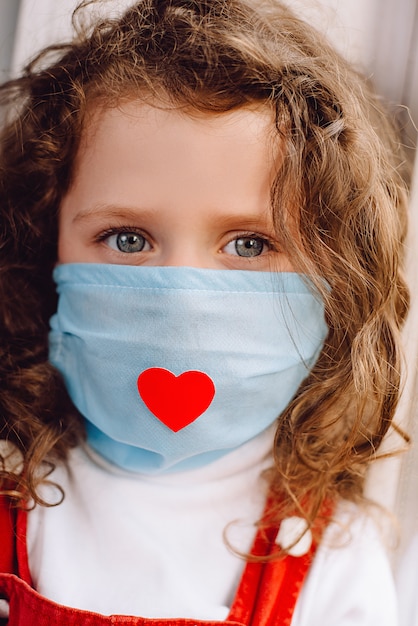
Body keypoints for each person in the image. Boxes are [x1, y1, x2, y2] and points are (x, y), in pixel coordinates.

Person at [0, 0, 409, 624]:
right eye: (128, 238)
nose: (182, 300)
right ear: (43, 243)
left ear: (334, 283)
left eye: (249, 244)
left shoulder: (337, 561)